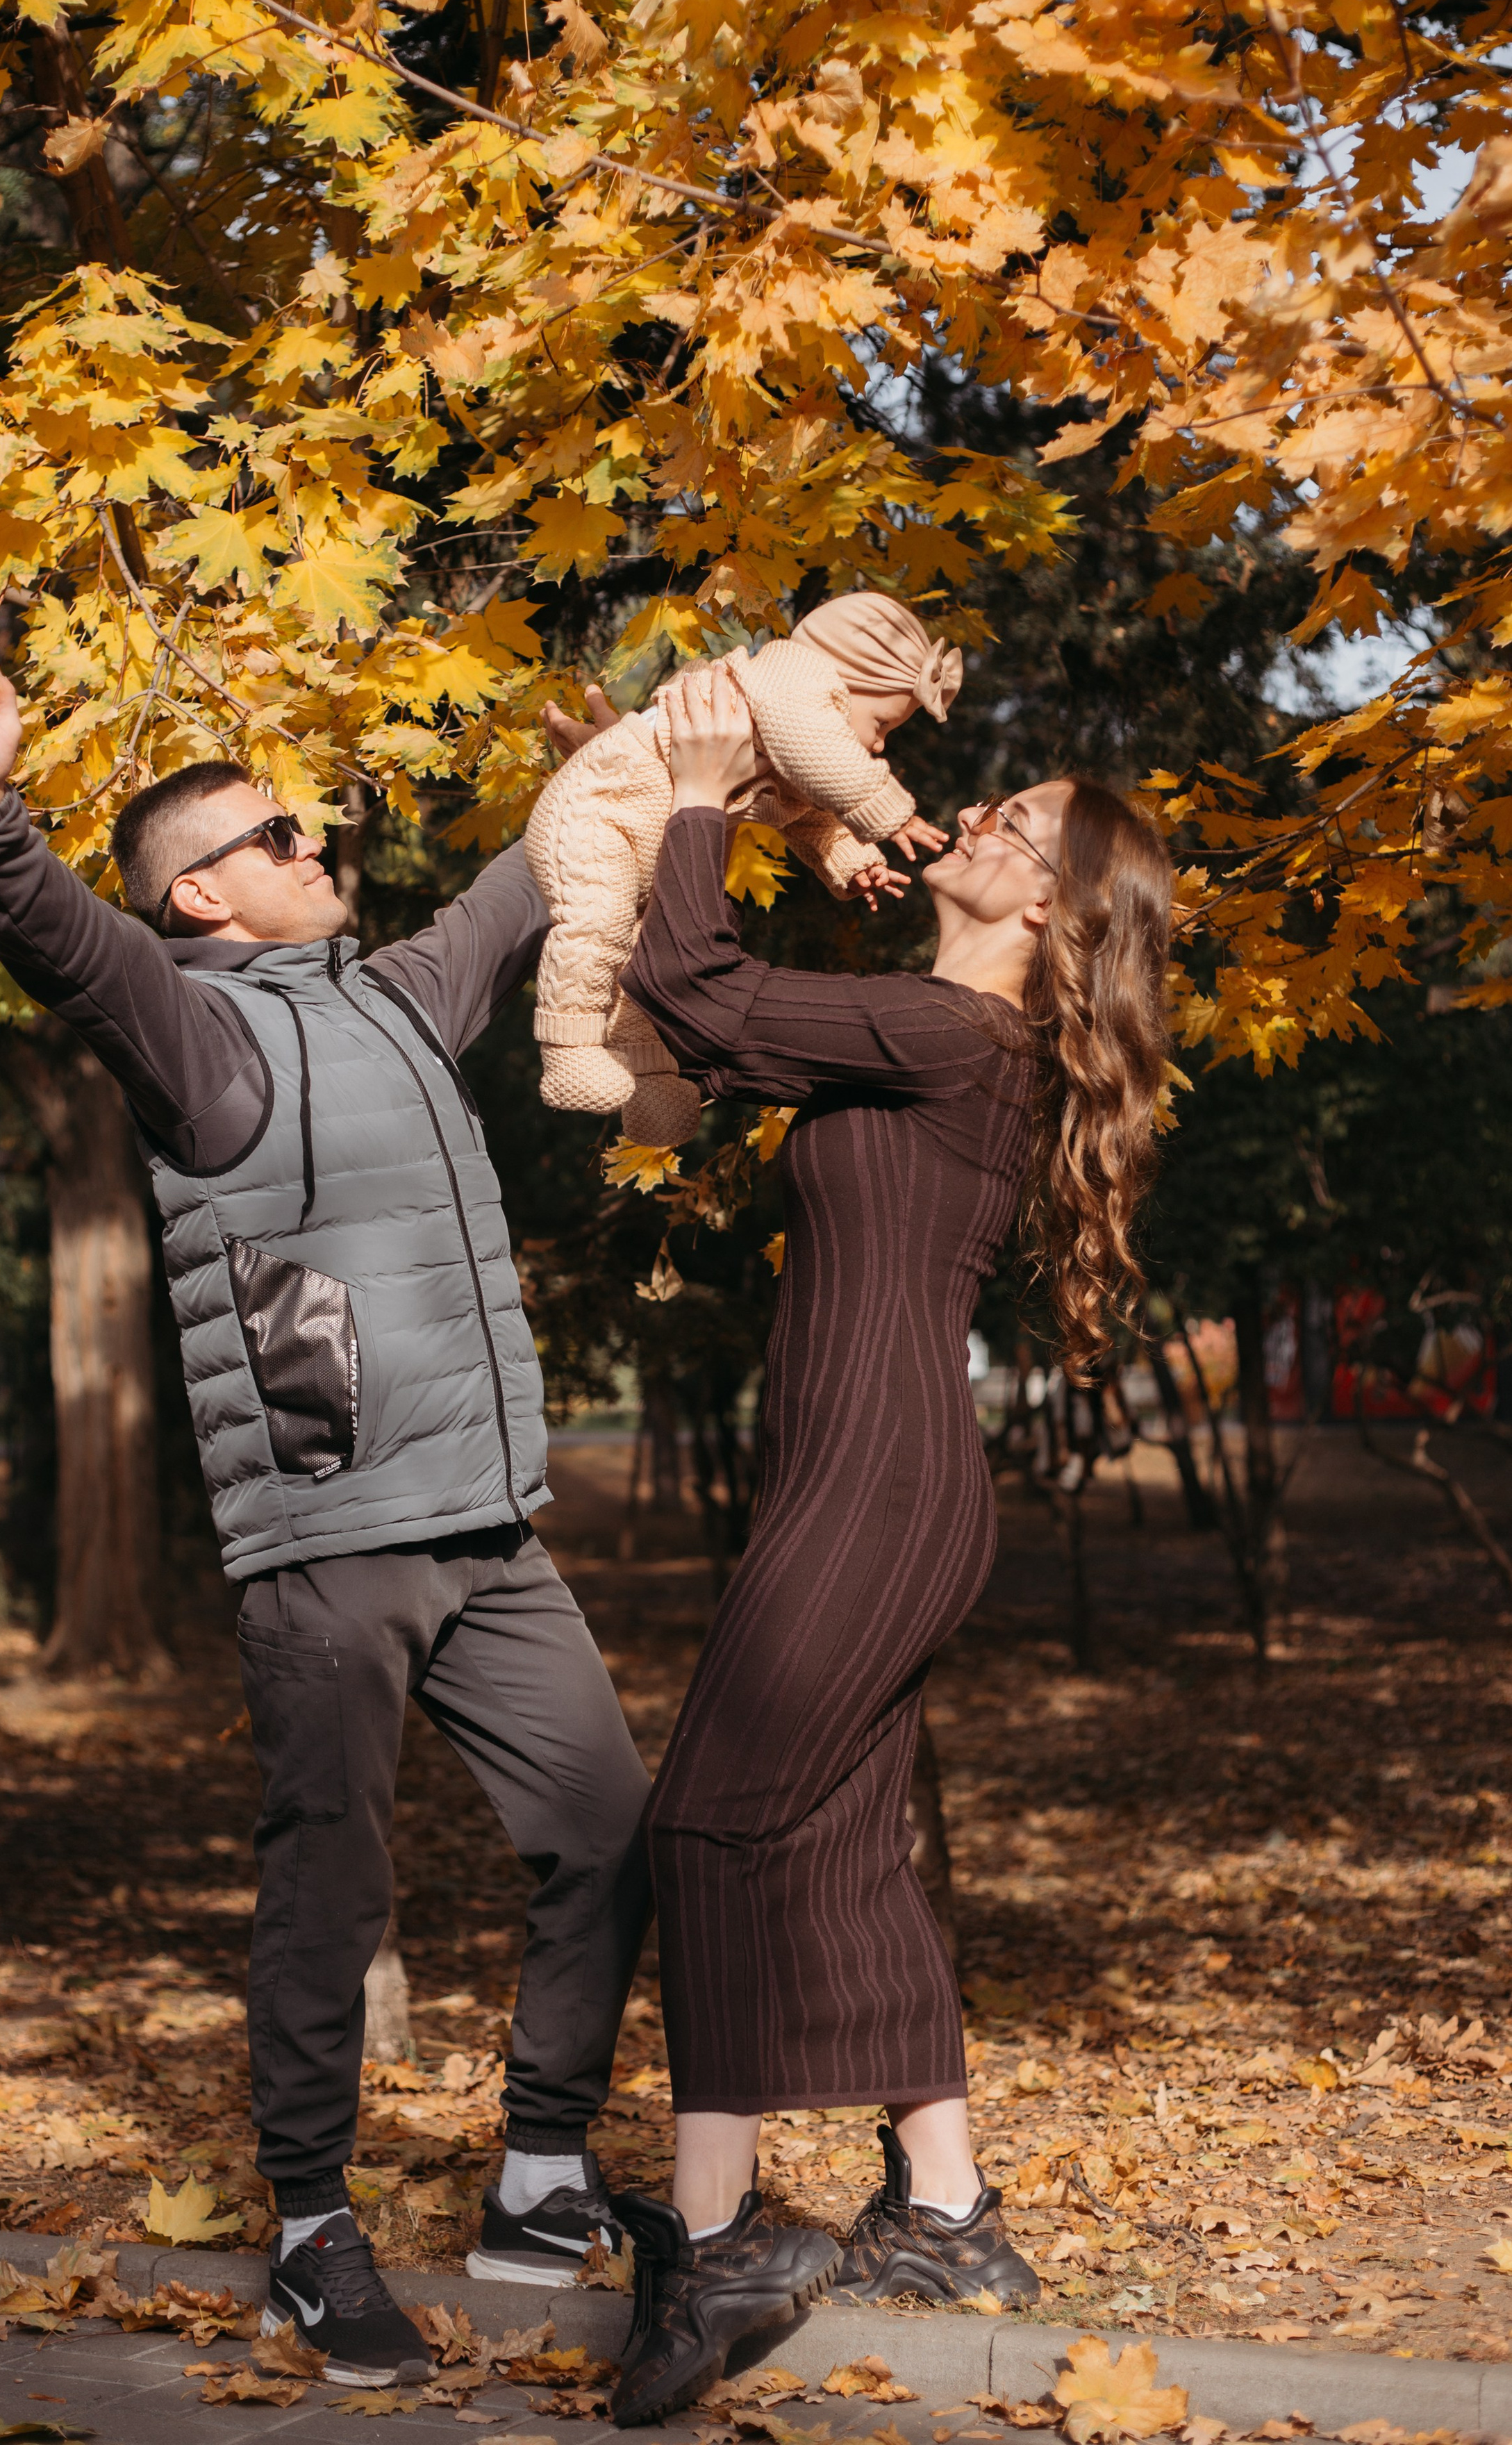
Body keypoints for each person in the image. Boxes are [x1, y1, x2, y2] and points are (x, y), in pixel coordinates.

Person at [0, 613, 654, 2384]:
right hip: (327, 1545)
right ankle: (310, 2226)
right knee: (333, 1885)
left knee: (609, 1831)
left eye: (310, 823)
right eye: (283, 836)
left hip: (487, 1526)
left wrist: (628, 758)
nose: (322, 846)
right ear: (207, 896)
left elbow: (525, 882)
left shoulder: (393, 996)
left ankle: (536, 2176)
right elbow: (73, 952)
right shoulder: (198, 1038)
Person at [605, 666, 1174, 2427]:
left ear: (1056, 914)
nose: (977, 813)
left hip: (874, 1488)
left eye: (1020, 826)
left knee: (703, 1818)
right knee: (841, 1847)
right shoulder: (935, 1024)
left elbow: (694, 995)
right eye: (993, 803)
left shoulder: (948, 1035)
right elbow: (769, 1004)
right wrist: (672, 811)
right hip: (882, 1484)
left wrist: (698, 801)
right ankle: (944, 2212)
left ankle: (709, 2245)